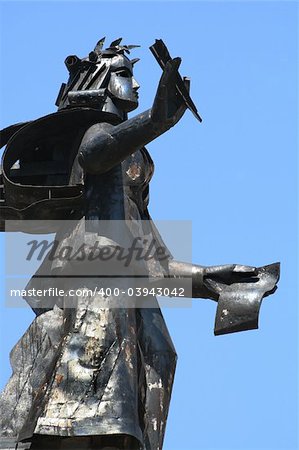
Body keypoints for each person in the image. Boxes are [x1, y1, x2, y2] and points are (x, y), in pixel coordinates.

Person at [0, 38, 279, 450]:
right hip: (92, 279)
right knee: (91, 374)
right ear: (99, 79)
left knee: (159, 355)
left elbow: (153, 261)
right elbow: (96, 154)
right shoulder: (94, 131)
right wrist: (157, 119)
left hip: (124, 279)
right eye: (126, 74)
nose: (136, 84)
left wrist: (209, 279)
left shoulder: (137, 159)